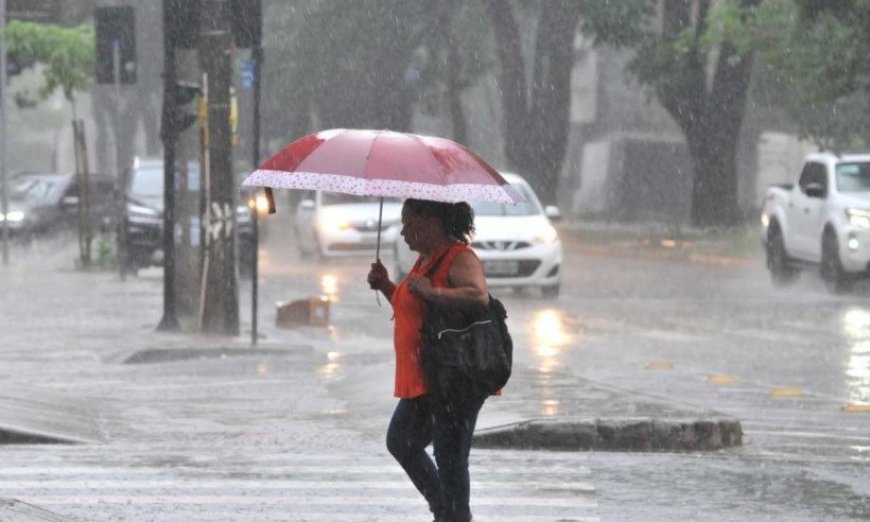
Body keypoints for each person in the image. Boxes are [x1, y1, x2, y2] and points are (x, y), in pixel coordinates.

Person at [367, 198, 490, 522]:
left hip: (454, 377)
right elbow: (414, 309)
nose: (404, 232)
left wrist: (434, 293)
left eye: (410, 223)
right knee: (402, 440)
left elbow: (478, 296)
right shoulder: (425, 260)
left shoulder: (458, 257)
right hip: (428, 377)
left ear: (431, 221)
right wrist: (385, 286)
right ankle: (445, 509)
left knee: (450, 457)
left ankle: (453, 515)